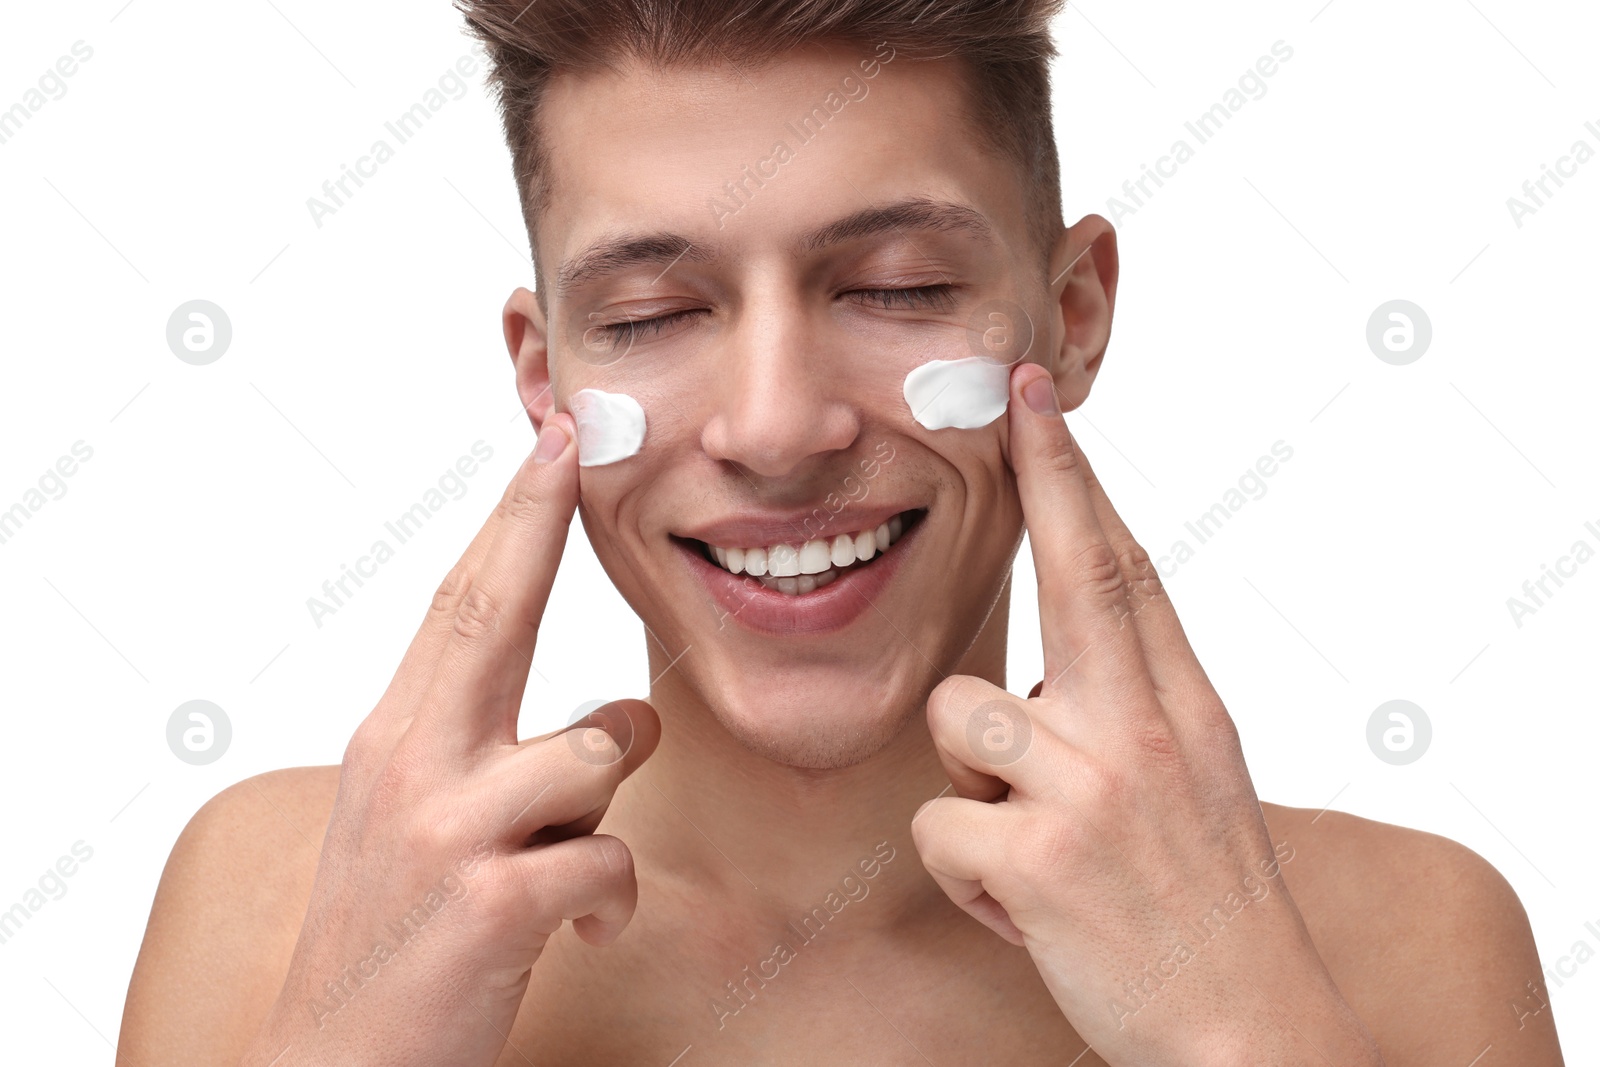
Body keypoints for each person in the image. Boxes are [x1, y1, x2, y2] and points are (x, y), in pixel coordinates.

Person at [117, 1, 1566, 1063]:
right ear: (545, 370)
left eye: (893, 288)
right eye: (651, 316)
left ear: (1074, 314)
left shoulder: (1398, 944)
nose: (775, 423)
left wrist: (1246, 1032)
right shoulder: (278, 901)